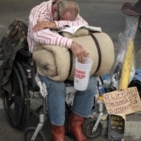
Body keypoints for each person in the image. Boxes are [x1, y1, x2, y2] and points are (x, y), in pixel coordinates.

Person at [27, 0, 97, 141]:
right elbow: (38, 34)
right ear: (55, 11)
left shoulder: (68, 10)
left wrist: (56, 24)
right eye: (60, 19)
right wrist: (70, 43)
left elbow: (85, 25)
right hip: (46, 59)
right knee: (57, 86)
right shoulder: (38, 12)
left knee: (90, 80)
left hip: (67, 58)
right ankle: (58, 131)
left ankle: (75, 124)